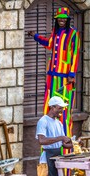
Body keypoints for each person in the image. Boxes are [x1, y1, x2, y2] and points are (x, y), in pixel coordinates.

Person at [28, 7, 80, 141]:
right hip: (52, 76)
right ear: (56, 19)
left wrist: (72, 74)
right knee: (49, 107)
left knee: (63, 110)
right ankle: (50, 140)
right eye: (59, 18)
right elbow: (49, 44)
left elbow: (75, 54)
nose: (62, 20)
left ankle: (66, 143)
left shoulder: (73, 34)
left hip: (65, 78)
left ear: (67, 20)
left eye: (64, 18)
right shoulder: (55, 32)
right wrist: (35, 36)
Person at [36, 96, 73, 176]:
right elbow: (41, 140)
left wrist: (74, 144)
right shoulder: (43, 121)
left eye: (62, 108)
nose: (62, 110)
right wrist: (60, 137)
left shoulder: (59, 123)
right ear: (52, 107)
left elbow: (64, 144)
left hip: (57, 156)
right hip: (47, 157)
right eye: (60, 108)